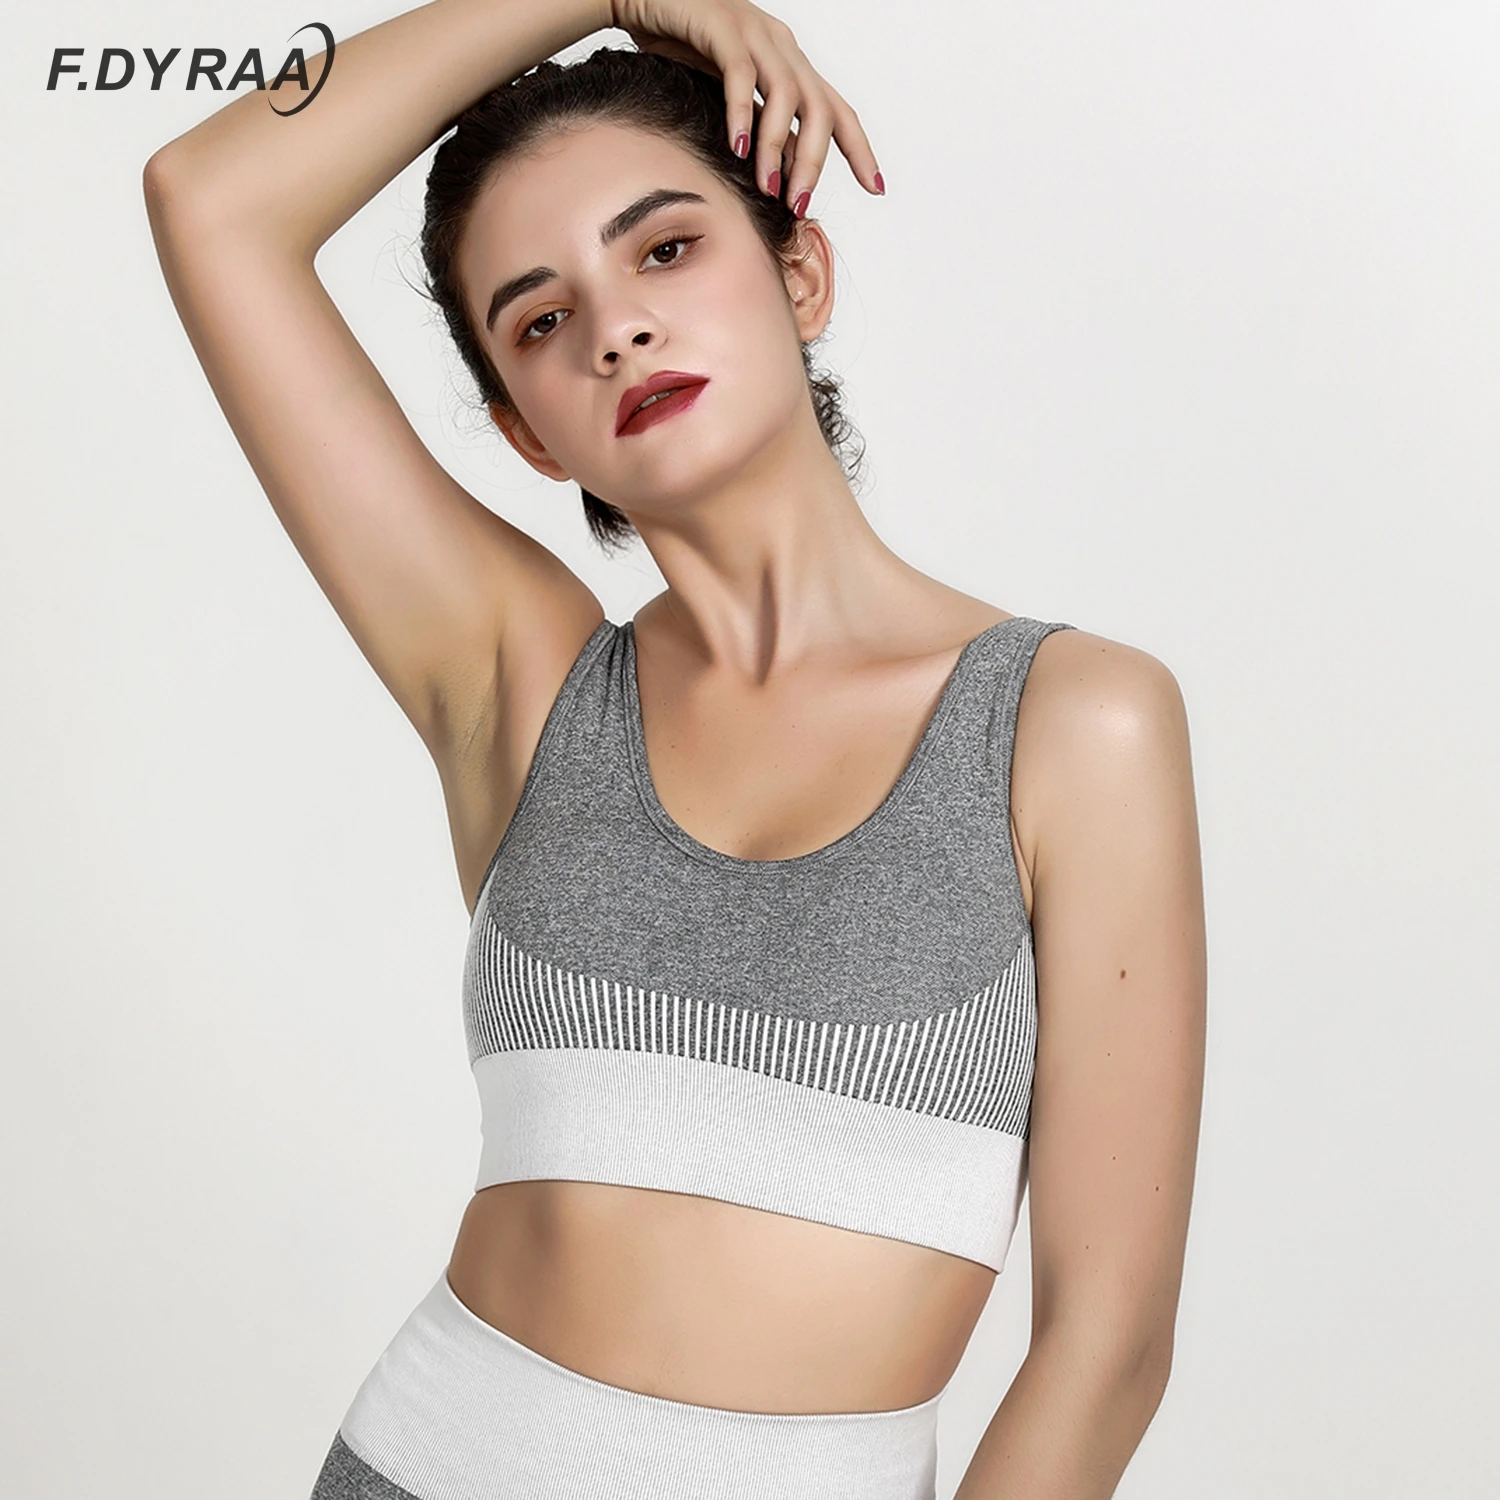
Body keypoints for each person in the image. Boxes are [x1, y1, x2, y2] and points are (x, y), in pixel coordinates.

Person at [142, 1, 1207, 1496]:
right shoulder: (519, 681)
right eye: (540, 320)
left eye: (664, 249)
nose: (616, 330)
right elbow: (210, 199)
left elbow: (1107, 1345)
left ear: (799, 270)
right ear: (528, 432)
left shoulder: (1070, 722)